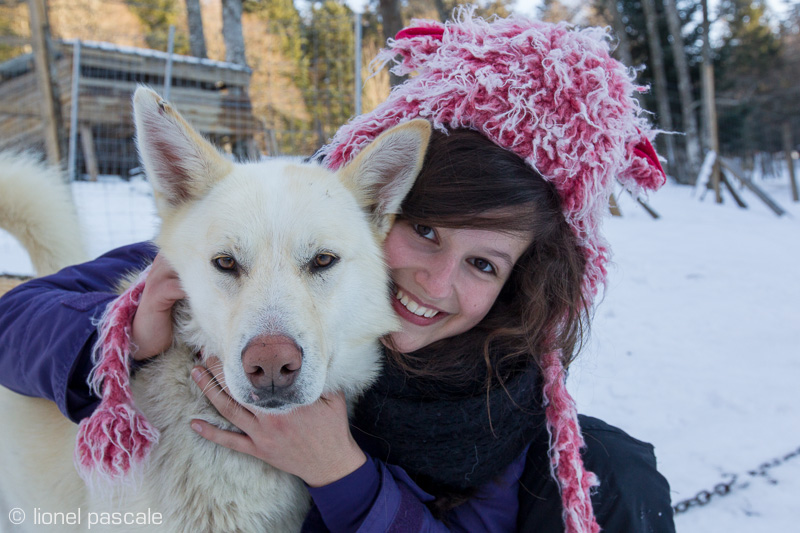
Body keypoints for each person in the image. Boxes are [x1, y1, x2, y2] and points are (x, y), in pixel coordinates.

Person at [0, 9, 675, 533]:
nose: (435, 284)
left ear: (518, 279)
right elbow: (15, 319)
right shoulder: (223, 247)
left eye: (482, 262)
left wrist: (343, 474)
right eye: (427, 230)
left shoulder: (560, 457)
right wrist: (118, 340)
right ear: (388, 208)